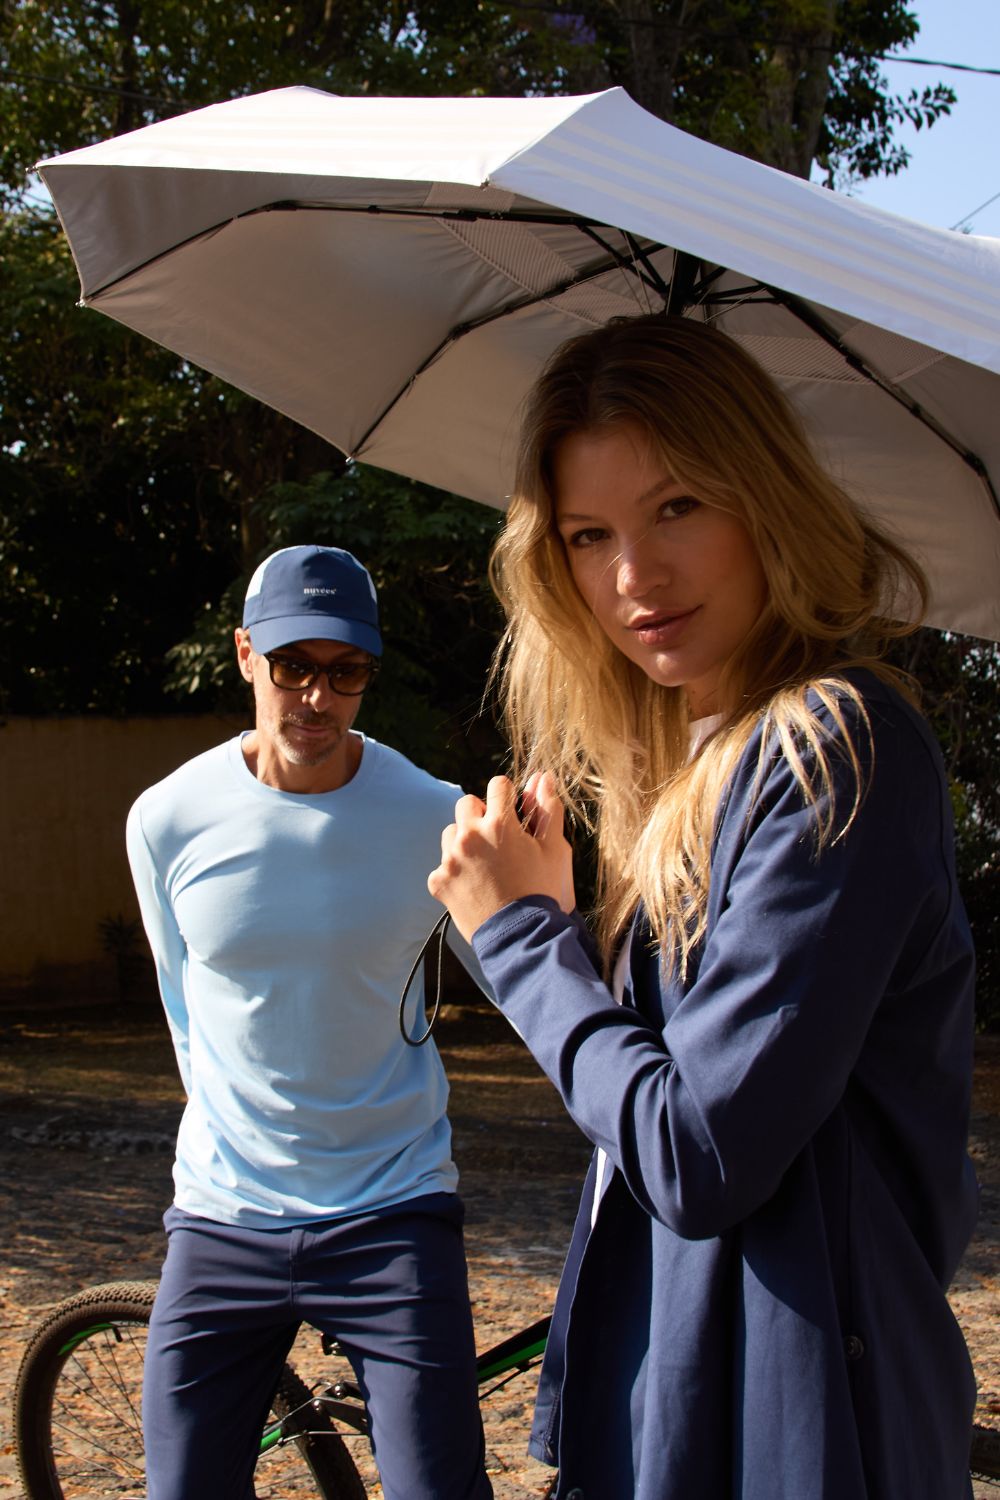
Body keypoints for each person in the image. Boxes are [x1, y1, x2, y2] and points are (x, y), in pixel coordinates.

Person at [428, 315, 979, 1500]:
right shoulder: (691, 772)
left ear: (763, 500)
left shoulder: (835, 746)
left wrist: (519, 940)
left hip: (799, 1425)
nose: (634, 577)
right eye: (589, 535)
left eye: (676, 506)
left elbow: (699, 1152)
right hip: (676, 1398)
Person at [126, 543, 493, 1500]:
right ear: (247, 654)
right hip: (224, 1218)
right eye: (292, 666)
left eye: (346, 671)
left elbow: (522, 983)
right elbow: (181, 1005)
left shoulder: (435, 816)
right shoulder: (166, 819)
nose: (316, 698)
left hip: (392, 1210)